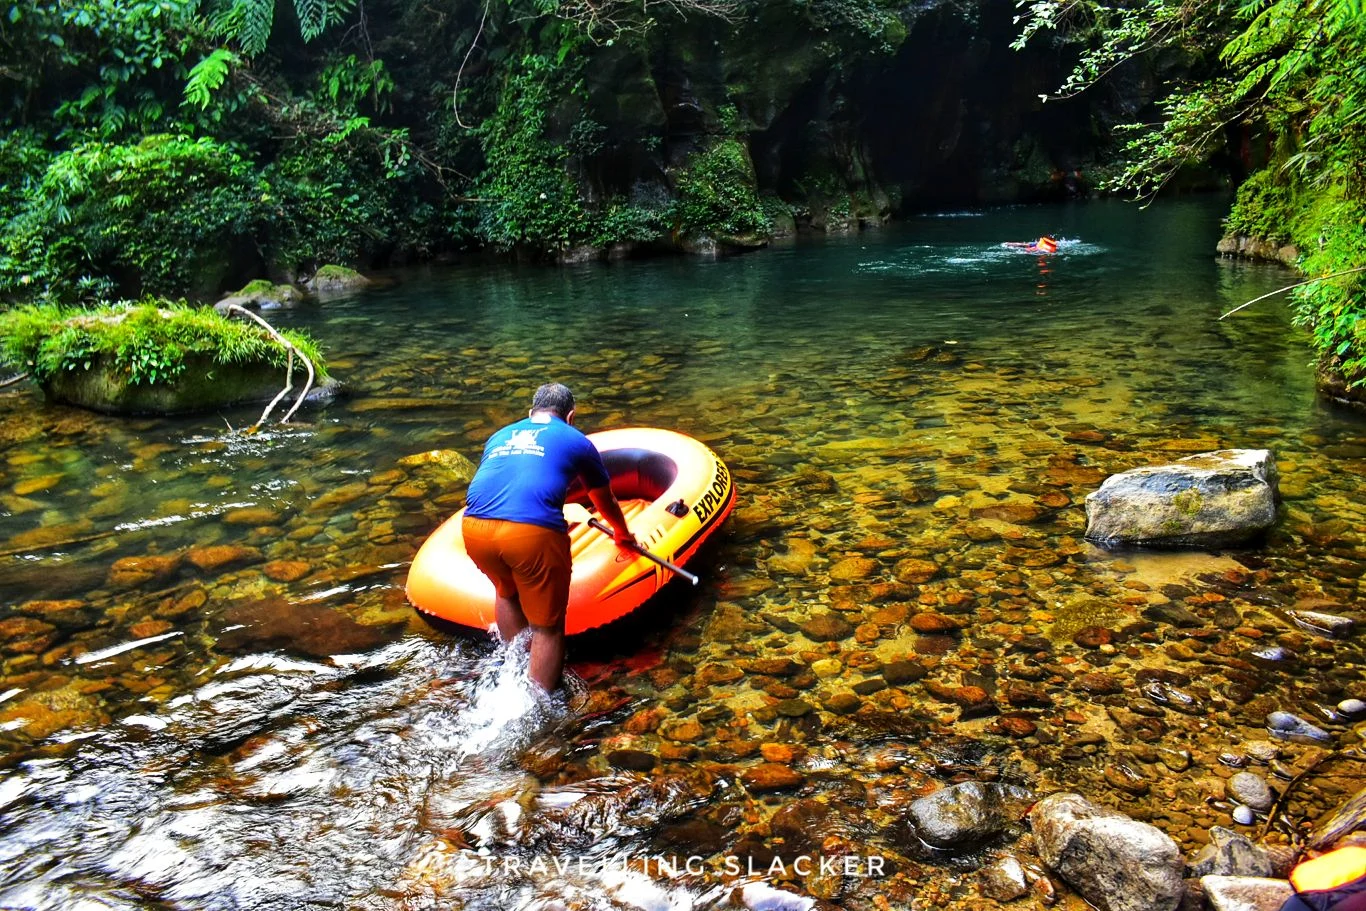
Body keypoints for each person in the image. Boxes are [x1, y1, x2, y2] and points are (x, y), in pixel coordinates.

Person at [461, 382, 635, 693]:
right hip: (529, 533)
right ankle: (535, 705)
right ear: (570, 416)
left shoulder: (500, 436)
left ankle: (513, 670)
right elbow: (603, 499)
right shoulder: (575, 440)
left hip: (475, 528)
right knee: (548, 628)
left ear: (531, 412)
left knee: (507, 592)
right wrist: (622, 534)